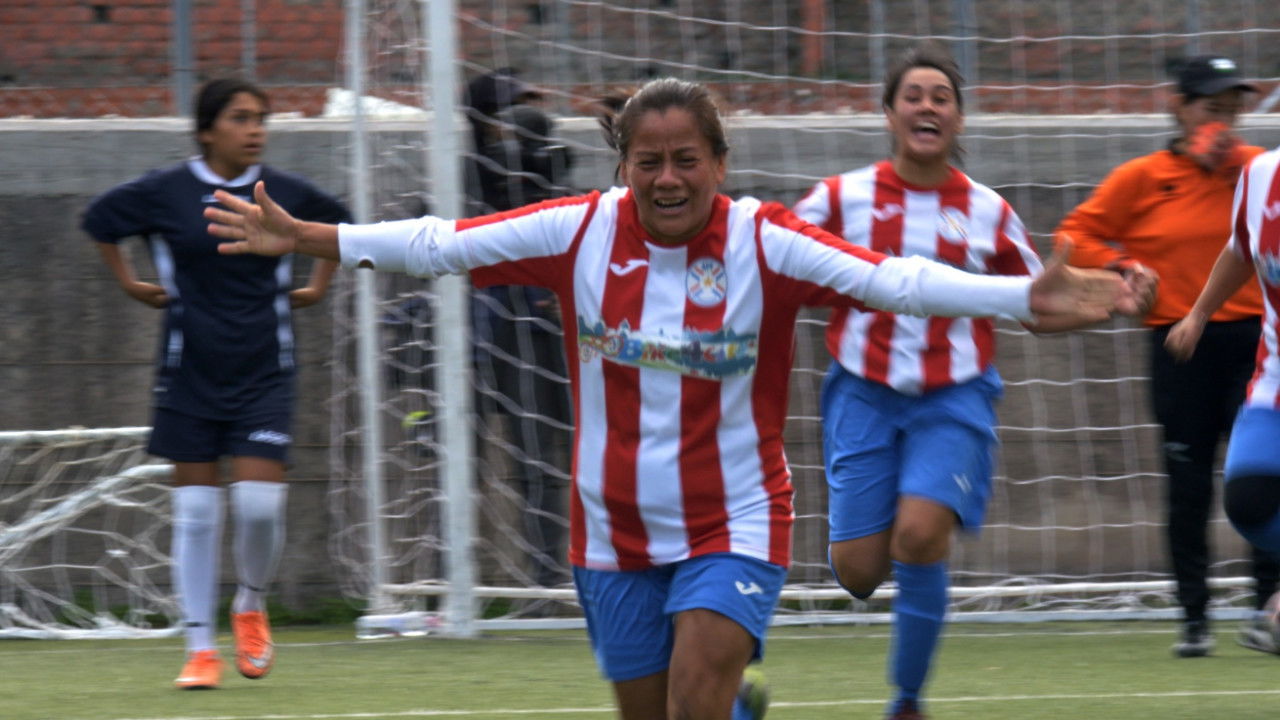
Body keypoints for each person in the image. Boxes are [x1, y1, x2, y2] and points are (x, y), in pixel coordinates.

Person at [206, 77, 1135, 720]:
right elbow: (443, 243)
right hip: (610, 531)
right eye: (646, 161)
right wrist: (310, 237)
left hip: (734, 517)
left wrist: (1022, 297)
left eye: (685, 158)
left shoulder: (764, 242)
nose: (667, 179)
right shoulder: (577, 233)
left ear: (718, 163)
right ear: (623, 168)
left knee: (698, 689)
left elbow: (895, 280)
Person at [791, 44, 1156, 720]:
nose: (928, 106)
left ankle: (906, 701)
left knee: (921, 534)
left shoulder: (988, 211)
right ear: (889, 113)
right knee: (860, 573)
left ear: (958, 120)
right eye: (914, 95)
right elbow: (778, 259)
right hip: (862, 390)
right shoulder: (839, 198)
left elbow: (1040, 297)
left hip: (953, 395)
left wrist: (1112, 293)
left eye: (942, 97)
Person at [81, 78, 352, 690]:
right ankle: (199, 649)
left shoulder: (280, 192)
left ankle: (250, 604)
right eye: (240, 118)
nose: (255, 128)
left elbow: (339, 223)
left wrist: (317, 284)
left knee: (258, 507)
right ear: (207, 130)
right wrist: (127, 281)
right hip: (189, 374)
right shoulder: (164, 191)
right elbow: (99, 221)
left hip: (264, 374)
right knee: (198, 511)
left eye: (261, 118)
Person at [1055, 54, 1278, 658]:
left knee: (1260, 482)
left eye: (1235, 110)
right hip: (1181, 344)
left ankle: (1268, 612)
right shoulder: (1144, 177)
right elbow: (1074, 234)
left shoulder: (1258, 172)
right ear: (1178, 108)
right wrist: (1124, 268)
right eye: (1212, 109)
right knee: (1188, 484)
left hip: (1259, 343)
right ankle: (1195, 619)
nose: (1225, 122)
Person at [1165, 139, 1280, 657]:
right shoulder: (1261, 176)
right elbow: (1241, 248)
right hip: (1275, 374)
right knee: (1249, 502)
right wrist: (1199, 313)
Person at [463, 72, 575, 592]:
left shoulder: (551, 166)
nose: (530, 116)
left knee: (587, 451)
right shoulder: (469, 177)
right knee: (522, 460)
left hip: (560, 328)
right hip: (498, 332)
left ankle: (594, 572)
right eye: (516, 108)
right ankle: (539, 581)